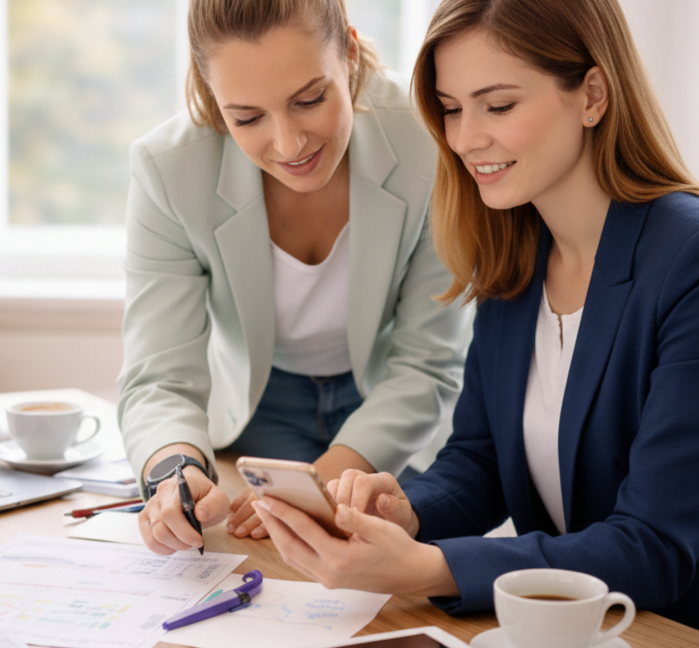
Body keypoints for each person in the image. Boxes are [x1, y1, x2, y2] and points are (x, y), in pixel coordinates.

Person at [251, 0, 699, 629]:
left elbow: (654, 547)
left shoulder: (687, 262)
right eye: (453, 109)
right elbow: (481, 461)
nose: (464, 139)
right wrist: (405, 510)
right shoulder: (516, 255)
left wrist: (429, 568)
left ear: (592, 95)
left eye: (499, 106)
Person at [117, 0, 472, 555]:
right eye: (248, 118)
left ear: (350, 54)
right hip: (260, 411)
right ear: (213, 98)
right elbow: (160, 377)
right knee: (272, 568)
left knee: (396, 567)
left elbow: (428, 361)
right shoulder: (168, 170)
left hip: (391, 402)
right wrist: (173, 470)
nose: (289, 144)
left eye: (310, 100)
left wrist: (326, 480)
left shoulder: (429, 135)